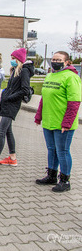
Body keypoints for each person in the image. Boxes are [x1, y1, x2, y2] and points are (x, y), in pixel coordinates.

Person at [35, 51, 81, 192]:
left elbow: (74, 102)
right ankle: (51, 175)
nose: (55, 61)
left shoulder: (71, 77)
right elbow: (44, 98)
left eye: (59, 59)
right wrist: (39, 116)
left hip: (63, 124)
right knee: (51, 150)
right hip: (49, 121)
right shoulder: (50, 75)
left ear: (67, 62)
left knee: (62, 151)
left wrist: (67, 123)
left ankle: (65, 181)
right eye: (54, 59)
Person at [0, 48, 34, 170]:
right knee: (8, 131)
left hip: (12, 105)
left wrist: (10, 97)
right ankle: (12, 157)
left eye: (13, 59)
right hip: (8, 103)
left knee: (1, 131)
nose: (11, 61)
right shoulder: (16, 70)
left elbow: (25, 90)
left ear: (19, 59)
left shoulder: (24, 71)